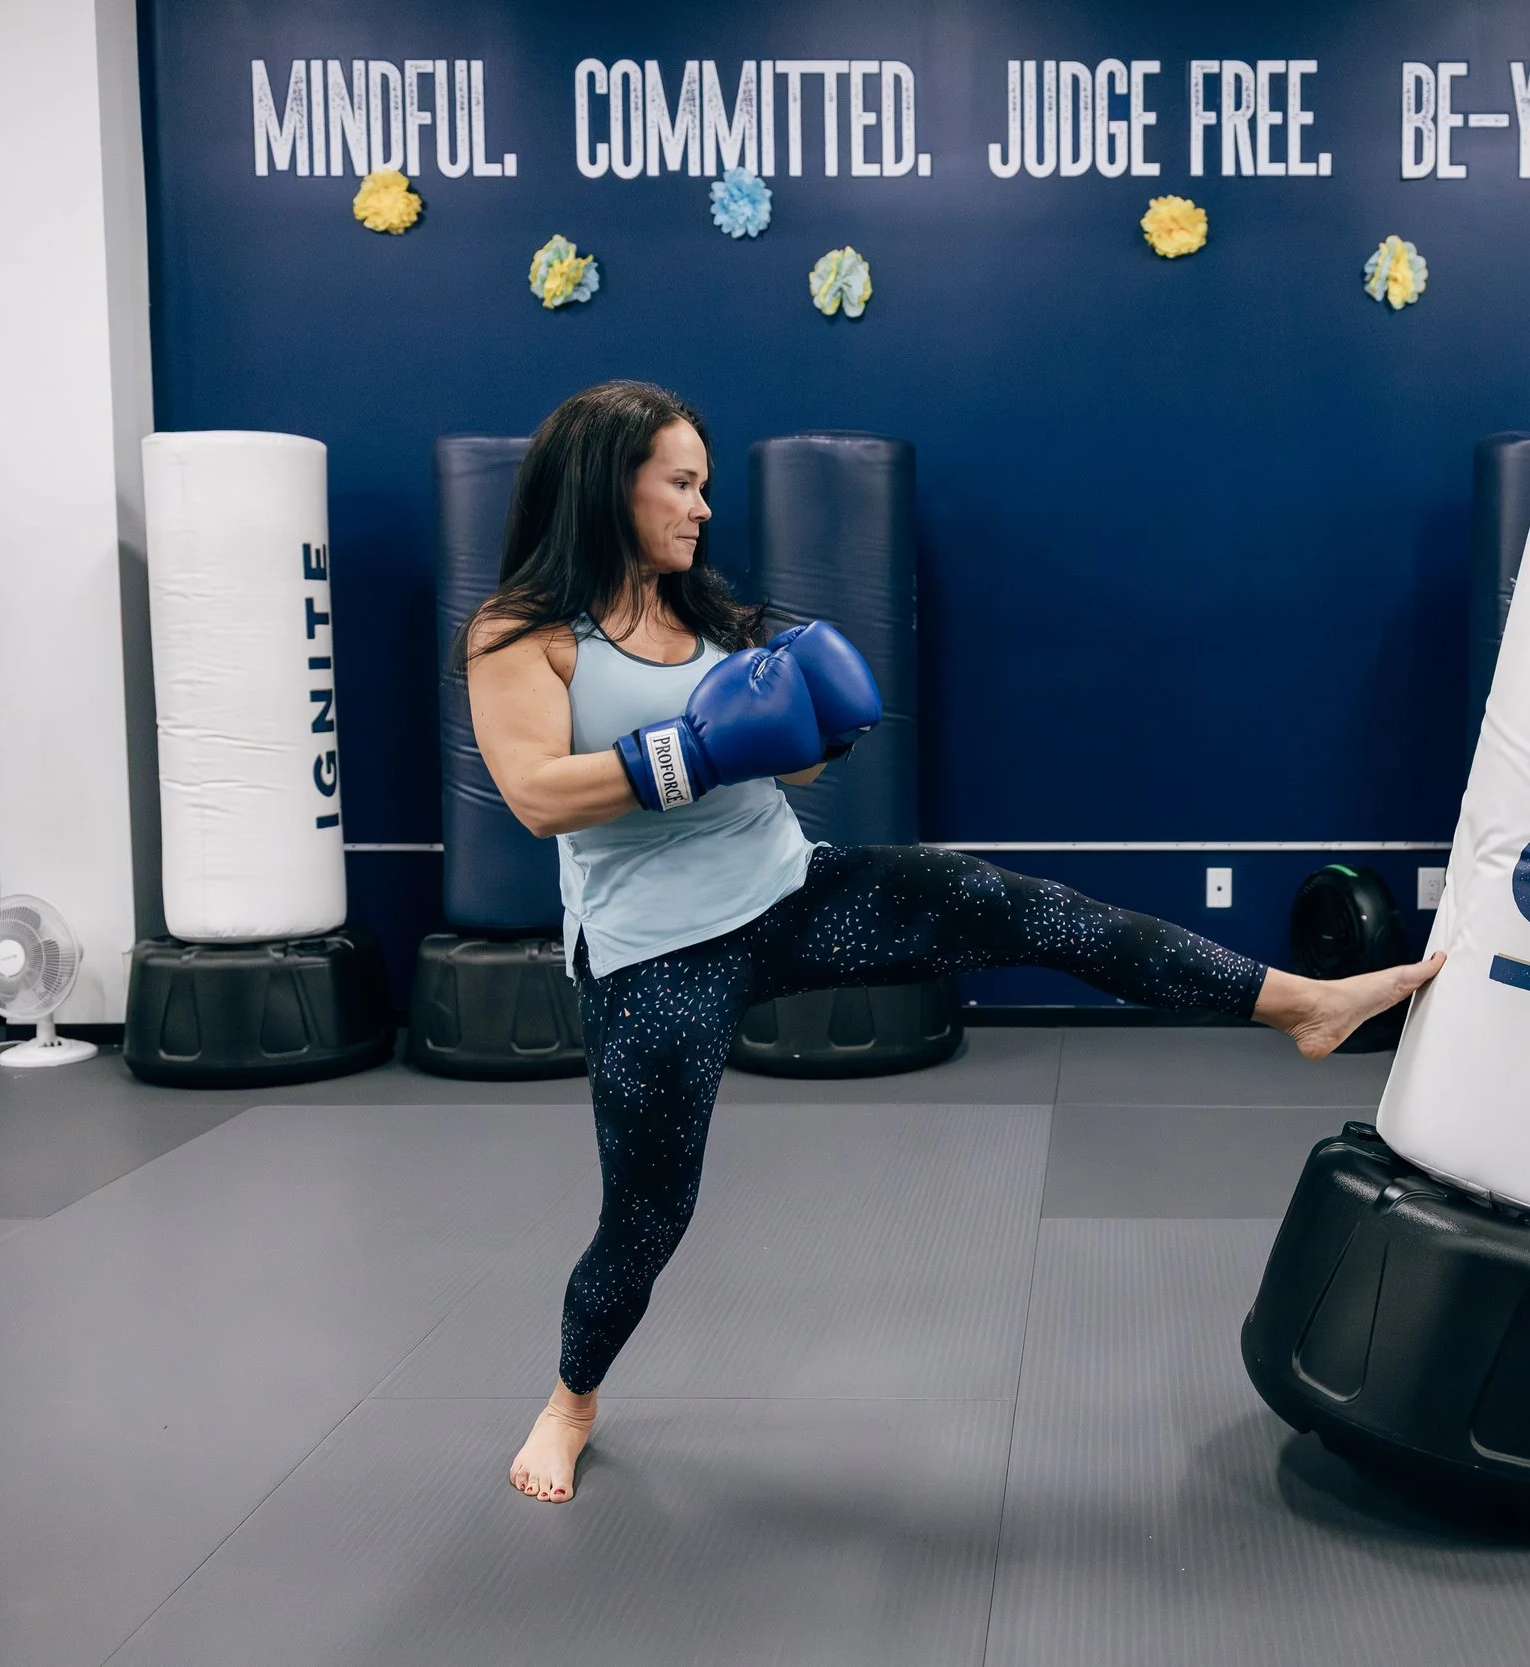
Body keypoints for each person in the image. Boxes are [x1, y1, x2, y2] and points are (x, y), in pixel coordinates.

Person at [465, 381, 1441, 1503]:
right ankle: (572, 1398)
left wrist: (809, 728)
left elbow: (785, 768)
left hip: (789, 888)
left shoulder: (708, 616)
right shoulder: (525, 633)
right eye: (680, 484)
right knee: (647, 1212)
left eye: (705, 486)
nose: (700, 510)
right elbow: (538, 795)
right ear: (606, 483)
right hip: (655, 956)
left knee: (1024, 907)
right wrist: (696, 745)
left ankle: (1297, 1004)